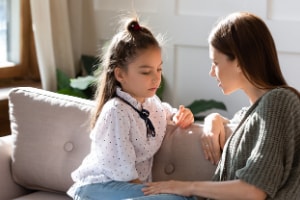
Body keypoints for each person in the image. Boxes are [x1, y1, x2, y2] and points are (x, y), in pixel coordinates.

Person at [141, 12, 300, 200]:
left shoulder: (279, 101)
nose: (211, 72)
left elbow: (254, 191)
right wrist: (213, 119)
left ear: (239, 62)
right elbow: (242, 126)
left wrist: (185, 187)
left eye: (215, 63)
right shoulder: (252, 112)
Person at [67, 16, 195, 200]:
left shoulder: (152, 104)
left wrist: (181, 116)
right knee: (178, 199)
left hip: (127, 189)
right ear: (120, 74)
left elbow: (167, 113)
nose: (156, 78)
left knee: (184, 197)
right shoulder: (116, 111)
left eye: (159, 69)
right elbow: (123, 172)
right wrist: (151, 194)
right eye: (145, 72)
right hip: (97, 189)